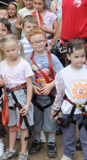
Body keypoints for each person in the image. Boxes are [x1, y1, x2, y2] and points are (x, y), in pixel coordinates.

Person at [51, 39, 87, 160]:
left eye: (82, 56)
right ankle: (68, 154)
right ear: (68, 56)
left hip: (86, 111)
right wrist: (55, 108)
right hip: (68, 110)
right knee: (68, 135)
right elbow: (60, 94)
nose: (80, 59)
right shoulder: (62, 73)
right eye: (76, 56)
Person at [26, 28, 63, 158]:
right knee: (36, 119)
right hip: (36, 96)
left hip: (51, 95)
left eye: (41, 41)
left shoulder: (52, 57)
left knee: (51, 118)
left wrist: (52, 84)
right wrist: (32, 86)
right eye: (35, 42)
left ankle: (51, 142)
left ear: (46, 40)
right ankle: (36, 140)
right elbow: (25, 76)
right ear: (30, 43)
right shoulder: (28, 59)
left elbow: (61, 74)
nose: (39, 44)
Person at [0, 34, 34, 160]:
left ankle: (24, 152)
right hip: (7, 96)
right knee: (12, 124)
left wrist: (28, 104)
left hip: (21, 96)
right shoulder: (2, 64)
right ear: (3, 51)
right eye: (7, 51)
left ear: (18, 47)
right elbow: (0, 79)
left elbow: (29, 86)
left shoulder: (24, 64)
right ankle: (11, 149)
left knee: (23, 125)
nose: (11, 53)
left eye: (13, 50)